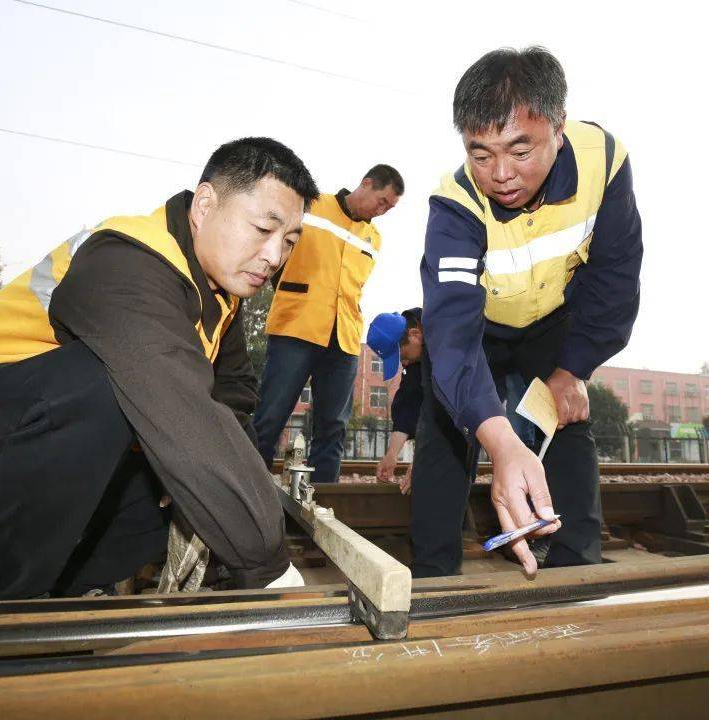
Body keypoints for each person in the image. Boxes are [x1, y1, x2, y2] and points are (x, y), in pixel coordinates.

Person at [0, 137, 320, 600]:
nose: (275, 257)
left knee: (188, 487)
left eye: (290, 241)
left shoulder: (218, 298)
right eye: (263, 229)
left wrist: (234, 499)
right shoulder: (128, 260)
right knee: (114, 389)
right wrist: (270, 569)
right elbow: (179, 403)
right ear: (205, 205)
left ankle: (54, 594)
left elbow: (232, 406)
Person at [413, 47, 643, 578]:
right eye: (480, 154)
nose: (500, 175)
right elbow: (449, 335)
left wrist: (573, 369)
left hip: (551, 324)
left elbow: (615, 277)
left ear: (558, 129)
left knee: (566, 423)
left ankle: (576, 572)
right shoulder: (453, 204)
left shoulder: (602, 162)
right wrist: (497, 439)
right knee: (446, 434)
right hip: (478, 331)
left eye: (520, 151)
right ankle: (432, 579)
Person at [253, 165, 404, 484]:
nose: (383, 211)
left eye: (390, 208)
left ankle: (322, 501)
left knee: (333, 427)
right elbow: (275, 254)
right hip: (296, 327)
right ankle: (246, 492)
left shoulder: (374, 238)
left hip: (345, 338)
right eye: (382, 201)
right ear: (366, 183)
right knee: (270, 416)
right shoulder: (310, 206)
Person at [366, 308, 423, 494]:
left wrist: (422, 461)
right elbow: (408, 402)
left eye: (403, 356)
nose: (404, 364)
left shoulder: (446, 341)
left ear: (415, 335)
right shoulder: (417, 358)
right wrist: (391, 455)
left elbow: (443, 411)